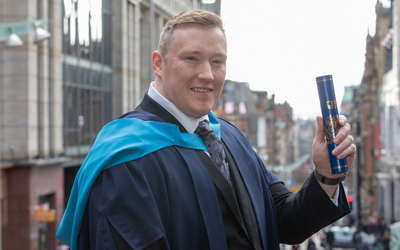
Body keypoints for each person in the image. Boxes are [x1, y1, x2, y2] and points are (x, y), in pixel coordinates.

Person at [56, 9, 356, 250]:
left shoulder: (228, 135)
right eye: (192, 59)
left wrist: (326, 175)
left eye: (217, 61)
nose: (208, 74)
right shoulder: (126, 161)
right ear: (158, 64)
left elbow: (284, 220)